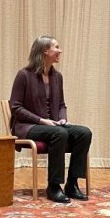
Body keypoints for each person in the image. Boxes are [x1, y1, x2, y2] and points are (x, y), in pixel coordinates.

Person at [9, 36, 92, 204]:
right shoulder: (24, 75)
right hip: (28, 126)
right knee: (59, 134)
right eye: (57, 47)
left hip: (53, 125)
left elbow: (61, 104)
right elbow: (16, 107)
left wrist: (62, 119)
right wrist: (42, 120)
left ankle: (72, 184)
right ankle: (53, 186)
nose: (60, 51)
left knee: (84, 132)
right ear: (45, 51)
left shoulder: (57, 76)